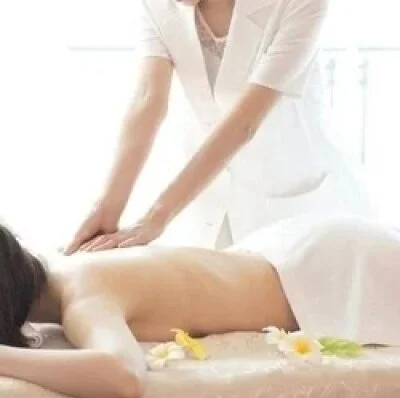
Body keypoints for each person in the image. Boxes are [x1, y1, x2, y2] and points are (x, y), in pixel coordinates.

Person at [65, 0, 369, 254]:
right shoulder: (157, 4)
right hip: (203, 199)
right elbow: (148, 100)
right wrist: (108, 207)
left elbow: (244, 123)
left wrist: (155, 217)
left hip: (290, 199)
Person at [1, 214, 400, 398]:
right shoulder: (70, 269)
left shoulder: (84, 298)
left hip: (327, 274)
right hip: (299, 248)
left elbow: (122, 377)